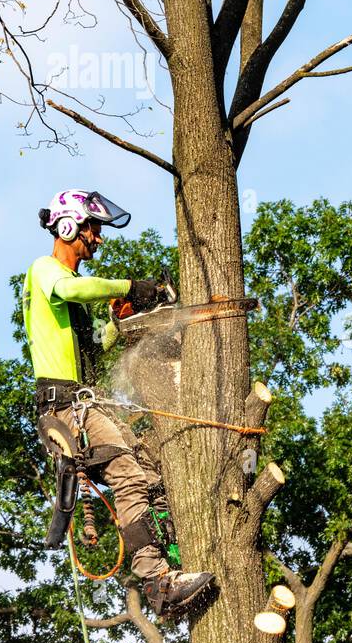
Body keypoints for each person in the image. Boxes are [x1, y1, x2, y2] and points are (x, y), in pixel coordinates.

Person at [22, 188, 214, 618]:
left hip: (89, 406)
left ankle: (173, 561)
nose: (99, 239)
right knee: (128, 474)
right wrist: (132, 286)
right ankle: (157, 580)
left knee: (152, 471)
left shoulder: (74, 299)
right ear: (69, 226)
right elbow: (75, 290)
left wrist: (118, 319)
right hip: (67, 409)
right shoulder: (45, 271)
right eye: (94, 229)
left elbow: (96, 345)